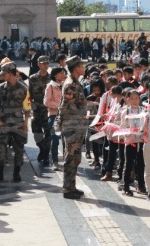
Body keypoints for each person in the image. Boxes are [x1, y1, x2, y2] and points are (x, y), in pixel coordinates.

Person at [0, 62, 30, 183]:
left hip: (18, 122)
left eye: (4, 74)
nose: (1, 76)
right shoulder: (1, 88)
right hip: (4, 122)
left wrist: (25, 124)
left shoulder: (23, 89)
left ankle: (16, 173)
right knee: (0, 147)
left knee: (19, 148)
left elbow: (27, 108)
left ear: (10, 74)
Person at [59, 56, 89, 200]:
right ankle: (67, 189)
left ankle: (71, 186)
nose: (84, 68)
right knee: (70, 158)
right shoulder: (71, 85)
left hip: (77, 125)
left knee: (75, 158)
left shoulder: (76, 82)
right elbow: (64, 106)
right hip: (72, 126)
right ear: (76, 68)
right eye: (81, 65)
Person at [29, 55, 52, 166]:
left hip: (48, 110)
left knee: (48, 133)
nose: (45, 65)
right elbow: (29, 95)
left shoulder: (52, 78)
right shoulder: (32, 78)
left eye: (47, 63)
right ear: (38, 64)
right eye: (43, 63)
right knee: (36, 132)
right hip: (37, 109)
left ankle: (46, 155)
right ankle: (42, 149)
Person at [45, 67, 66, 170]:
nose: (63, 75)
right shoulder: (50, 86)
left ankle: (67, 160)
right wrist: (60, 106)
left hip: (66, 115)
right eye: (60, 73)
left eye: (63, 73)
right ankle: (55, 161)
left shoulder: (65, 85)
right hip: (54, 115)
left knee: (66, 140)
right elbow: (47, 102)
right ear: (55, 75)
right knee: (55, 139)